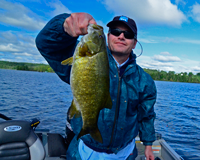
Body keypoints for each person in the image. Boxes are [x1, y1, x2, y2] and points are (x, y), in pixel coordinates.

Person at [36, 12, 157, 160]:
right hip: (85, 150)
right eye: (115, 32)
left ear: (134, 43)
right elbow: (46, 44)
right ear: (107, 37)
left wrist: (149, 144)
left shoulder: (145, 81)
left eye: (128, 34)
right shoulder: (81, 58)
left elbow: (146, 116)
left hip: (125, 153)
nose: (121, 36)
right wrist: (63, 26)